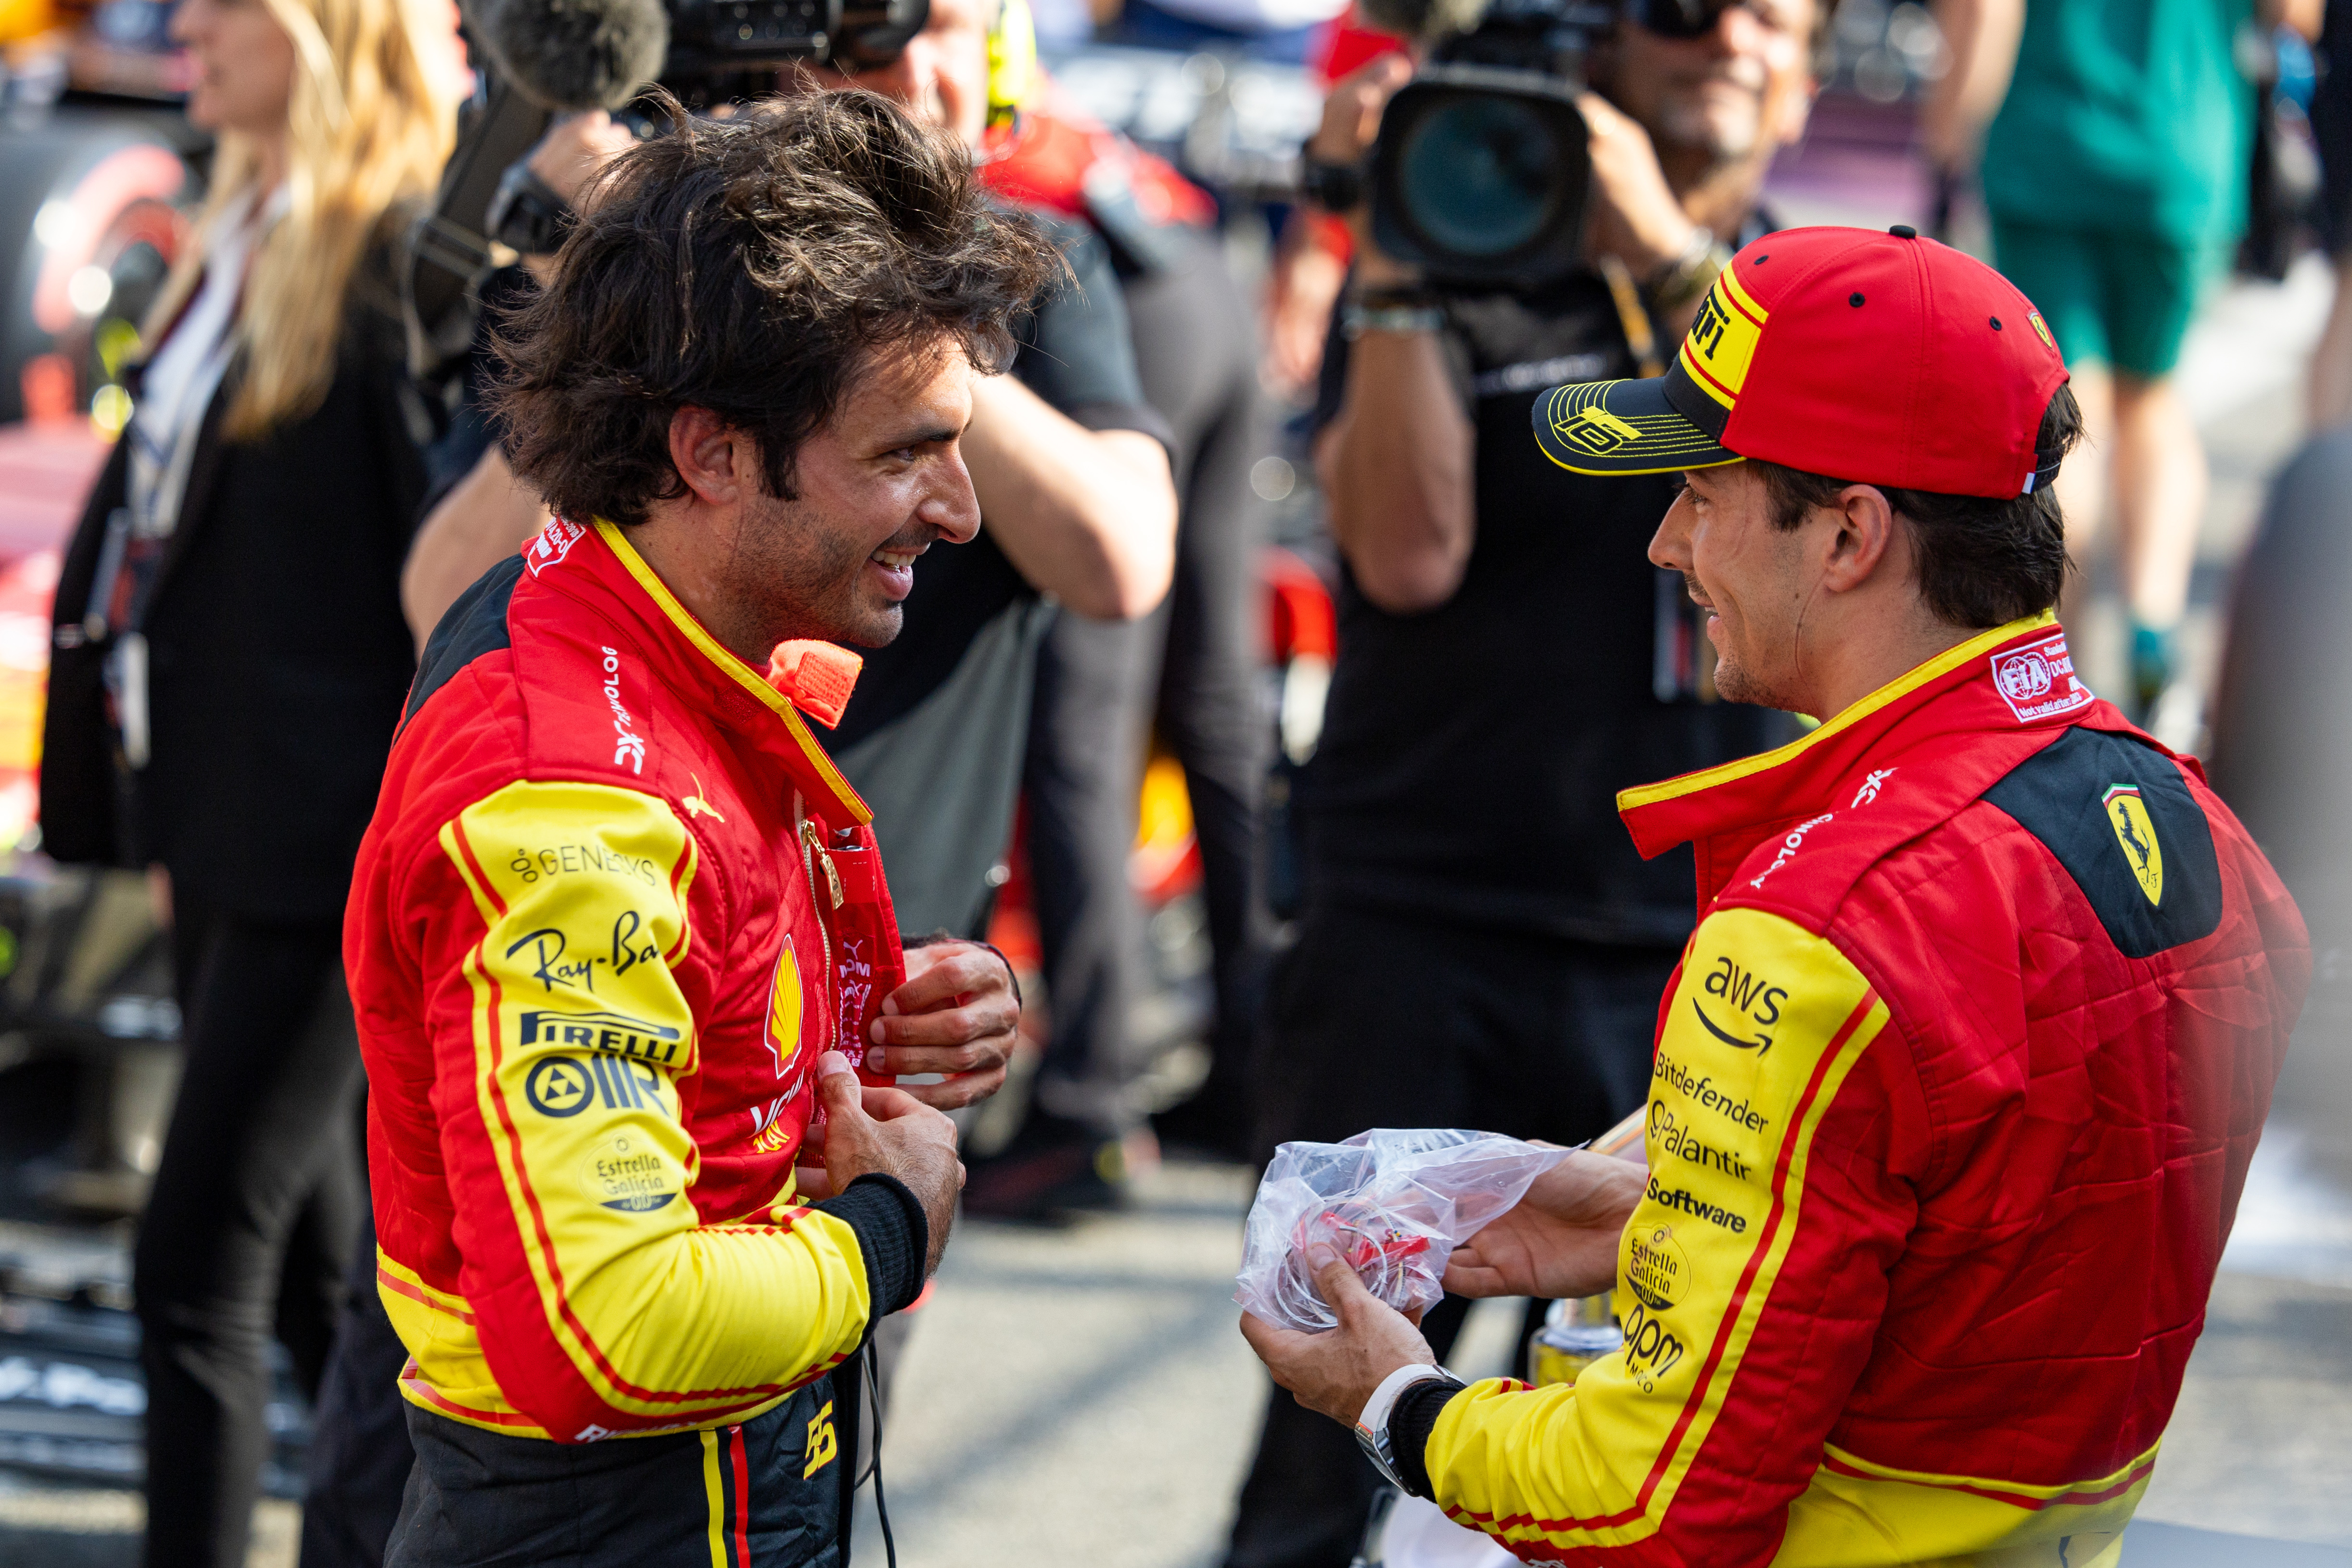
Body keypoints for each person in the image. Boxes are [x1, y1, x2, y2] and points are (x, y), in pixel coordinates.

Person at [1241, 225, 2309, 1567]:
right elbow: (1967, 1235)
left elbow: (1657, 1501)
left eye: (1700, 490)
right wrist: (1648, 1214)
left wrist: (1398, 1403)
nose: (1663, 542)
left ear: (1851, 534)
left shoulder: (1819, 931)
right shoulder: (2196, 825)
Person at [345, 92, 1042, 1563]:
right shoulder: (570, 805)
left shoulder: (621, 603)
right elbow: (601, 1334)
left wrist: (850, 1026)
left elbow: (677, 990)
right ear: (714, 454)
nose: (962, 510)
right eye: (909, 452)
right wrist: (890, 1223)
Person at [1221, 2, 1819, 1561]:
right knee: (1326, 1436)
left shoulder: (1816, 307)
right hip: (1419, 921)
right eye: (1682, 11)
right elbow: (1405, 559)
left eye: (1774, 14)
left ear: (1813, 71)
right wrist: (1400, 238)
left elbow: (1837, 482)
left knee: (1628, 1430)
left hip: (1684, 960)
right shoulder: (1464, 238)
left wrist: (1665, 253)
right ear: (1601, 54)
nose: (1726, 39)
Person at [34, 0, 457, 1562]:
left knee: (193, 1260)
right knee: (311, 1275)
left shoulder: (400, 254)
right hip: (212, 821)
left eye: (227, 2)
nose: (186, 23)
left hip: (322, 843)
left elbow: (446, 588)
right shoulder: (243, 225)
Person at [1926, 0, 2315, 717]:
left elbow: (1984, 12)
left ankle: (2050, 661)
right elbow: (2296, 16)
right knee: (2154, 401)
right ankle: (2152, 642)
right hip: (2179, 149)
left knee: (2066, 418)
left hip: (2049, 148)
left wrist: (1946, 135)